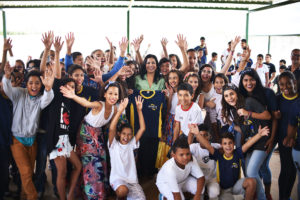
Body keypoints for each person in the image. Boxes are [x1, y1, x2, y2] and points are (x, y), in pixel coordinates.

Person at [60, 81, 124, 199]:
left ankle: (96, 191)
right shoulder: (99, 105)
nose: (113, 97)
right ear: (104, 94)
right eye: (110, 93)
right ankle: (94, 195)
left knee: (102, 159)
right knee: (92, 163)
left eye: (116, 94)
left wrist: (110, 145)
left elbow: (112, 128)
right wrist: (73, 96)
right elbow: (86, 103)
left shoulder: (115, 109)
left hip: (97, 132)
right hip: (86, 132)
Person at [3, 62, 54, 200]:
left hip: (32, 141)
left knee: (28, 174)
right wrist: (7, 77)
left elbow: (48, 98)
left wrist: (48, 88)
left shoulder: (40, 98)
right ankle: (32, 197)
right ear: (26, 83)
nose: (34, 86)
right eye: (31, 83)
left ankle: (23, 196)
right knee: (25, 172)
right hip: (17, 140)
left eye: (37, 83)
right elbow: (7, 89)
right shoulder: (19, 93)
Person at [189, 124, 269, 200]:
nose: (228, 146)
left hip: (236, 186)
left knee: (252, 181)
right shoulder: (218, 155)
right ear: (221, 145)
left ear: (234, 143)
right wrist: (197, 134)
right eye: (225, 144)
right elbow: (208, 146)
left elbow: (247, 145)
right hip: (224, 190)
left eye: (230, 143)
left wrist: (259, 135)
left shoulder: (237, 153)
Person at [222, 83, 271, 200]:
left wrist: (247, 113)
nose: (230, 98)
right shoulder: (234, 110)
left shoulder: (248, 102)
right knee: (249, 174)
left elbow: (268, 116)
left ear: (237, 94)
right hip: (251, 143)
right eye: (226, 96)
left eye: (231, 94)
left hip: (262, 140)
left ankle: (262, 197)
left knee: (251, 171)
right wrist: (230, 123)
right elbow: (243, 130)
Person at [108, 97, 146, 200]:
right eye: (124, 134)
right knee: (123, 191)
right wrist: (120, 110)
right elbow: (112, 128)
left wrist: (139, 110)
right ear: (119, 134)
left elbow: (142, 128)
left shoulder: (132, 143)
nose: (126, 137)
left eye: (129, 134)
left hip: (132, 181)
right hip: (118, 180)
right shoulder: (113, 145)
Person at [276, 71, 299, 200]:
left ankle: (288, 195)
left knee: (293, 170)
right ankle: (282, 197)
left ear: (294, 82)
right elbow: (273, 118)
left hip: (296, 141)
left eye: (288, 84)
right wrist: (276, 116)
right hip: (283, 140)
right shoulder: (278, 98)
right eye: (282, 84)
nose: (285, 87)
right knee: (286, 169)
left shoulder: (298, 99)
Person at [188, 124, 220, 200]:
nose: (203, 138)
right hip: (198, 179)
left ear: (209, 137)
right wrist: (191, 131)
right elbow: (187, 147)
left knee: (215, 193)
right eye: (200, 135)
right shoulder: (194, 147)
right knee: (199, 193)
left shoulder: (216, 146)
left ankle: (207, 192)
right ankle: (204, 194)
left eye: (205, 135)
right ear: (197, 138)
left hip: (211, 179)